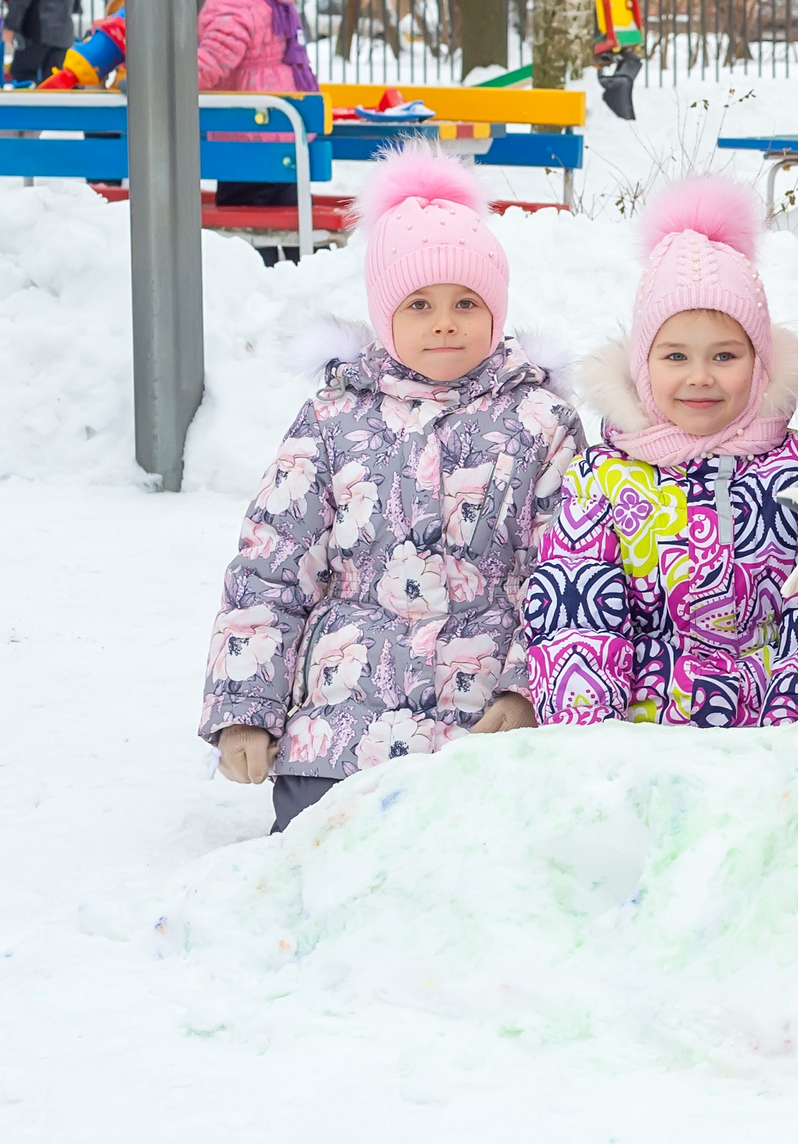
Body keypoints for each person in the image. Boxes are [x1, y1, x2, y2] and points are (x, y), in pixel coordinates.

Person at [199, 145, 584, 833]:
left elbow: (564, 574)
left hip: (482, 721)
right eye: (420, 303)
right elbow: (271, 569)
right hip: (342, 727)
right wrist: (244, 712)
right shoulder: (331, 419)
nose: (444, 322)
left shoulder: (542, 423)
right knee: (328, 865)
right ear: (384, 315)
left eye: (466, 302)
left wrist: (525, 689)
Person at [528, 177, 798, 727]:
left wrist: (794, 731)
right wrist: (593, 742)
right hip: (645, 745)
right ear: (643, 366)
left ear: (760, 364)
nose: (700, 378)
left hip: (782, 742)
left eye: (724, 355)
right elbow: (577, 618)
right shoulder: (603, 479)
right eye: (674, 356)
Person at [192, 0, 321, 210]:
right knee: (292, 235)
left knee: (247, 238)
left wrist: (158, 80)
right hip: (288, 138)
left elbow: (211, 64)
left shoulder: (229, 0)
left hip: (250, 138)